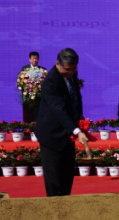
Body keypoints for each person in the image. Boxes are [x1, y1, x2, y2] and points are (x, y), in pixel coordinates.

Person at [35, 47, 90, 197]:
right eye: (67, 69)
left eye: (73, 69)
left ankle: (66, 206)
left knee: (67, 175)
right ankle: (54, 210)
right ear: (57, 64)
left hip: (67, 133)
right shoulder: (51, 81)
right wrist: (76, 131)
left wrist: (80, 121)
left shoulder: (72, 74)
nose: (70, 72)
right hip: (52, 134)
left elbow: (76, 99)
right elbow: (58, 109)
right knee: (54, 178)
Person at [20, 51, 46, 123]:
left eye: (36, 58)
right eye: (33, 58)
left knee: (39, 115)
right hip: (28, 97)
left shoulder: (42, 70)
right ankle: (28, 131)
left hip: (39, 97)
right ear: (30, 59)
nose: (35, 60)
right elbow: (21, 81)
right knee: (28, 115)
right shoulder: (25, 69)